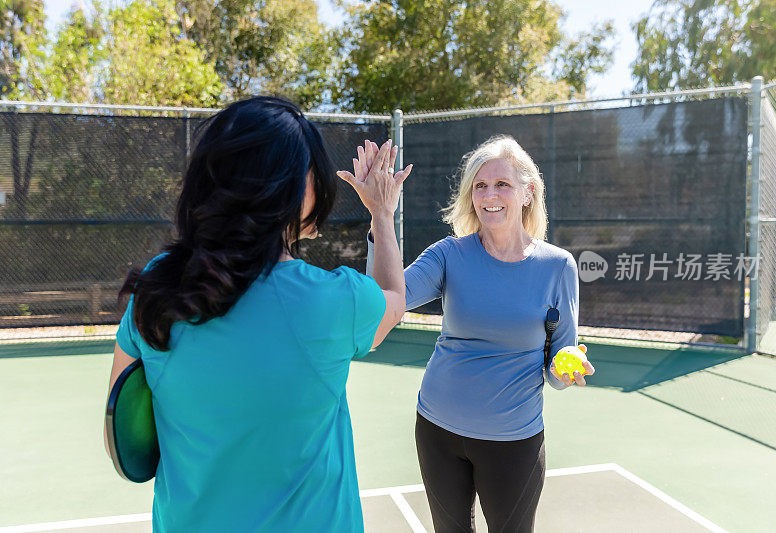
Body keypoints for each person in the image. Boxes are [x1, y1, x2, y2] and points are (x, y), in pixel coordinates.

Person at [103, 96, 411, 532]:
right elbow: (393, 297)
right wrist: (381, 211)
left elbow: (122, 432)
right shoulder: (333, 301)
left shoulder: (157, 286)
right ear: (300, 186)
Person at [357, 135, 595, 532]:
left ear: (527, 191)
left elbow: (559, 361)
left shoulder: (559, 266)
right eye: (480, 186)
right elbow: (384, 302)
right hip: (437, 432)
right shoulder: (448, 254)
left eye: (502, 184)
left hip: (514, 442)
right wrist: (380, 215)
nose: (490, 195)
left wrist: (566, 369)